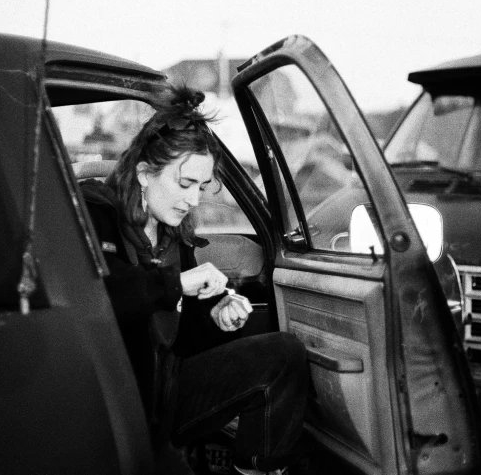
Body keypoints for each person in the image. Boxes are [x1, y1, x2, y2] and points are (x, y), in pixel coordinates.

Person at [79, 84, 309, 475]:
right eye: (185, 184)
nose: (194, 200)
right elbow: (99, 301)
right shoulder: (96, 214)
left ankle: (255, 470)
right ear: (144, 174)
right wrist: (175, 284)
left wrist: (217, 319)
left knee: (283, 355)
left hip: (166, 390)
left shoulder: (173, 235)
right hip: (115, 402)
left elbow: (181, 339)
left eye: (202, 187)